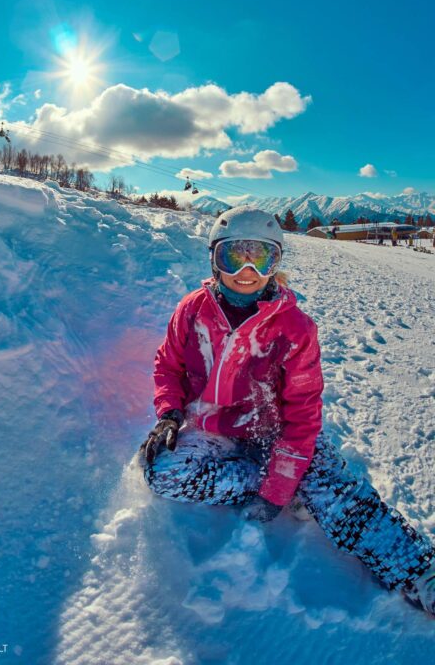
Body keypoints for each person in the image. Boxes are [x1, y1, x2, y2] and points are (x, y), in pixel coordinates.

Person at [139, 207, 435, 616]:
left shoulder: (294, 328)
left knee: (337, 496)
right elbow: (167, 365)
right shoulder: (192, 310)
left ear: (275, 263)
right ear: (214, 258)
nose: (247, 270)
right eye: (233, 256)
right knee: (161, 470)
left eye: (261, 258)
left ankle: (419, 571)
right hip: (215, 429)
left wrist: (278, 487)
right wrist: (169, 413)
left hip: (280, 434)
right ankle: (259, 479)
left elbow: (304, 416)